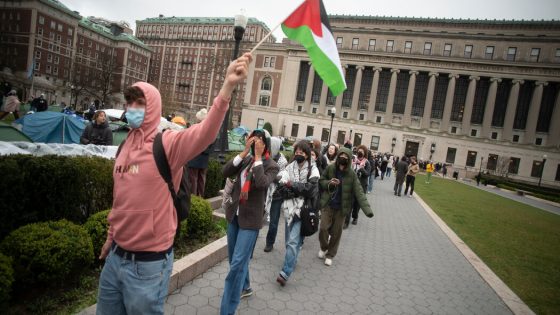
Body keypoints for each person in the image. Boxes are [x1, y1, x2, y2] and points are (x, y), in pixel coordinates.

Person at [95, 52, 253, 315]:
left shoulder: (166, 144)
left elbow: (204, 133)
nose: (132, 108)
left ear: (153, 107)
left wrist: (227, 88)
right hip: (115, 260)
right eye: (129, 102)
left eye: (139, 103)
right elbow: (119, 199)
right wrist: (111, 237)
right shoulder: (123, 146)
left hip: (148, 267)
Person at [220, 128, 279, 315]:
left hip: (251, 220)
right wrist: (245, 152)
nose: (257, 142)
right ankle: (246, 286)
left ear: (266, 144)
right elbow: (225, 171)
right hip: (235, 215)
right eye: (254, 138)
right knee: (234, 260)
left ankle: (227, 310)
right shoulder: (246, 159)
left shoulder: (271, 165)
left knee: (237, 264)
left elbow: (261, 183)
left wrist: (259, 158)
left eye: (261, 139)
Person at [318, 147, 374, 266]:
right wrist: (329, 183)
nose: (343, 158)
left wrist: (367, 210)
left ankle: (330, 254)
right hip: (328, 204)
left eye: (345, 157)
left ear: (349, 159)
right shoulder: (331, 168)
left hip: (342, 208)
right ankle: (324, 247)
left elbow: (359, 192)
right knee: (323, 228)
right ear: (338, 157)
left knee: (336, 232)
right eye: (341, 156)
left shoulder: (352, 175)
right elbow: (321, 180)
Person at [275, 141, 319, 286]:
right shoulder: (288, 167)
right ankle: (292, 260)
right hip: (288, 209)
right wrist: (288, 186)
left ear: (307, 154)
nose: (298, 154)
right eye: (297, 152)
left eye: (302, 152)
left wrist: (291, 185)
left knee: (293, 241)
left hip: (304, 210)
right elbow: (282, 185)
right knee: (291, 242)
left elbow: (310, 189)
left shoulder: (313, 169)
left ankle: (285, 272)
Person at [263, 136, 289, 253]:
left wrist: (271, 177)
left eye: (269, 145)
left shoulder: (283, 161)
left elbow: (282, 179)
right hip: (263, 192)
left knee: (273, 222)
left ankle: (270, 242)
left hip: (276, 195)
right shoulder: (265, 157)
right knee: (258, 217)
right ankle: (251, 243)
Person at [187, 108, 214, 197]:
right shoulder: (210, 130)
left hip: (194, 158)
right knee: (202, 180)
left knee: (193, 180)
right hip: (204, 159)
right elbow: (212, 145)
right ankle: (200, 198)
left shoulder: (195, 128)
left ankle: (193, 198)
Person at [345, 145, 371, 227]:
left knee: (357, 204)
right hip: (352, 185)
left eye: (362, 151)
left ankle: (355, 217)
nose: (360, 152)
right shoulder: (353, 160)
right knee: (349, 203)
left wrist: (361, 168)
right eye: (359, 151)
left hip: (361, 186)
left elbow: (367, 174)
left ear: (364, 153)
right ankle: (346, 221)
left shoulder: (367, 162)